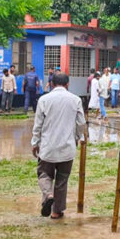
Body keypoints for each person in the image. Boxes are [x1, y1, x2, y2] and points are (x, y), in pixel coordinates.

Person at [31, 72, 86, 220]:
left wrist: (35, 142)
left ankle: (48, 194)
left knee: (44, 174)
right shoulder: (75, 100)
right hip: (67, 148)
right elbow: (81, 123)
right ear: (68, 84)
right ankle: (56, 211)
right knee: (62, 179)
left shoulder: (44, 100)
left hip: (47, 147)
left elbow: (38, 125)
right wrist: (77, 138)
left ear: (52, 84)